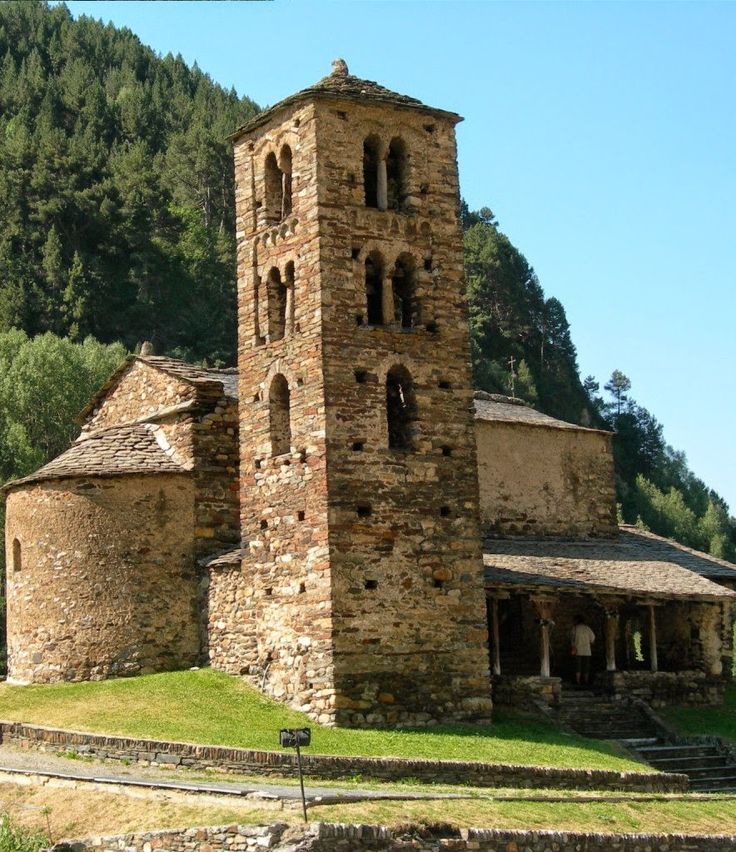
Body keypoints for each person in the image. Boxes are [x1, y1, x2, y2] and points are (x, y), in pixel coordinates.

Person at [570, 615, 595, 686]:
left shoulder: (574, 628)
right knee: (586, 667)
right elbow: (593, 639)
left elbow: (572, 639)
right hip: (587, 651)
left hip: (578, 651)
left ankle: (578, 681)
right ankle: (586, 681)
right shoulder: (588, 628)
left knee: (578, 666)